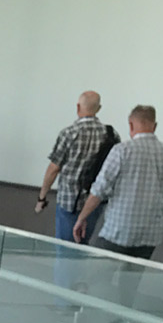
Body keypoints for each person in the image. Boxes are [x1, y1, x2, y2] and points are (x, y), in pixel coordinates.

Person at [73, 104, 163, 323]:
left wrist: (82, 218)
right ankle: (121, 322)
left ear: (131, 125)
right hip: (149, 233)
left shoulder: (122, 151)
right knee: (131, 282)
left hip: (117, 232)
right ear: (155, 126)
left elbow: (99, 190)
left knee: (95, 274)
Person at [34, 90, 109, 244]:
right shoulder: (109, 134)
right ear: (99, 108)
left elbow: (54, 169)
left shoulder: (69, 133)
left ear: (77, 107)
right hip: (94, 201)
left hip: (69, 201)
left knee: (64, 248)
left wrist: (41, 197)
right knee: (83, 246)